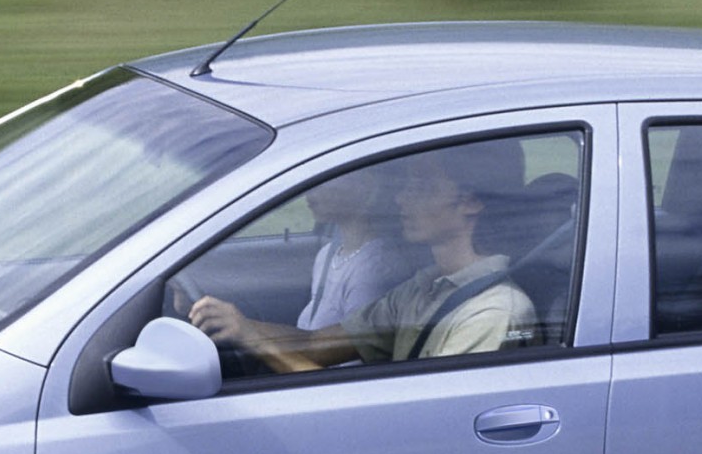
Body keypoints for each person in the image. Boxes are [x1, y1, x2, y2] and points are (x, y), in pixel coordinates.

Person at [190, 140, 536, 372]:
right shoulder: (424, 288)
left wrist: (252, 338)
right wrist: (234, 323)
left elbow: (419, 423)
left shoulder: (492, 314)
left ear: (471, 202)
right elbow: (315, 344)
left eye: (421, 186)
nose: (401, 199)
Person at [296, 163, 409, 331]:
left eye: (326, 181)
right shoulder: (327, 254)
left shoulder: (377, 268)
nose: (310, 192)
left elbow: (355, 348)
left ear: (364, 187)